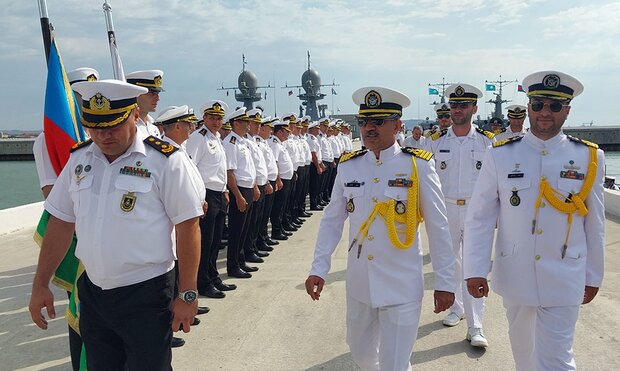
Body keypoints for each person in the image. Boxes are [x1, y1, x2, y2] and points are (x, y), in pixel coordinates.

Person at [29, 80, 204, 370]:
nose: (103, 135)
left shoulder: (165, 160)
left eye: (112, 126)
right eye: (95, 127)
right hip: (94, 294)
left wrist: (188, 294)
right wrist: (40, 284)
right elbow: (60, 221)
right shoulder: (79, 159)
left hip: (146, 294)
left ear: (134, 115)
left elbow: (188, 226)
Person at [305, 86, 455, 371]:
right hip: (361, 285)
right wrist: (319, 267)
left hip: (401, 286)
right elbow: (332, 221)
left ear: (398, 125)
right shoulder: (349, 166)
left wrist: (445, 283)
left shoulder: (417, 166)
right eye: (364, 122)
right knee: (361, 356)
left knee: (395, 364)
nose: (369, 128)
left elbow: (439, 227)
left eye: (379, 121)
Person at [463, 71, 604, 371]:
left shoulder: (589, 157)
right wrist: (474, 269)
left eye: (554, 106)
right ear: (528, 107)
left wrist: (594, 275)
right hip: (517, 273)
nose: (544, 113)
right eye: (538, 104)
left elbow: (595, 224)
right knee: (524, 357)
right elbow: (479, 218)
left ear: (567, 110)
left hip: (566, 273)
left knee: (557, 359)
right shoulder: (499, 155)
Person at [31, 66, 99, 371]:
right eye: (81, 95)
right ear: (68, 95)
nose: (88, 101)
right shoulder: (49, 137)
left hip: (100, 238)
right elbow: (50, 191)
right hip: (73, 234)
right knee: (81, 311)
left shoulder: (94, 133)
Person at [427, 83, 494, 348]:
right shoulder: (436, 142)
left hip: (477, 212)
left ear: (474, 108)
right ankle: (457, 307)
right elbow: (428, 181)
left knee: (474, 265)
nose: (457, 110)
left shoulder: (488, 142)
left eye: (463, 105)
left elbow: (496, 183)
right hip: (446, 209)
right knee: (450, 262)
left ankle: (476, 325)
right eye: (454, 105)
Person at [185, 100, 238, 298]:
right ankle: (202, 283)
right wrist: (199, 198)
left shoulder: (216, 138)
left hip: (218, 193)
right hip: (205, 193)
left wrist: (224, 190)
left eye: (219, 118)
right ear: (204, 118)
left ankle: (213, 276)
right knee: (206, 242)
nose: (216, 122)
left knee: (215, 241)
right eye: (212, 118)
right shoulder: (198, 138)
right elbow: (192, 169)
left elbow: (219, 169)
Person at [222, 107, 259, 279]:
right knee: (237, 231)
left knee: (245, 229)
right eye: (245, 122)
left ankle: (241, 260)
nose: (249, 124)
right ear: (236, 123)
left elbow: (249, 169)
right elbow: (229, 172)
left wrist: (255, 187)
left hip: (248, 188)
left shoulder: (243, 141)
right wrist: (238, 195)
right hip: (240, 190)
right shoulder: (231, 143)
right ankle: (233, 266)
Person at [269, 120, 295, 241]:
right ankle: (276, 230)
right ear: (279, 132)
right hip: (281, 180)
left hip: (286, 178)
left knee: (283, 205)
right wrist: (278, 179)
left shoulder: (280, 143)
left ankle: (281, 227)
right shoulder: (274, 143)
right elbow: (274, 162)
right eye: (286, 132)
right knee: (278, 207)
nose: (288, 134)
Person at [126, 70, 164, 138]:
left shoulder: (154, 128)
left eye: (157, 93)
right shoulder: (126, 127)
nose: (158, 98)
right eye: (151, 93)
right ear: (135, 94)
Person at [307, 121, 325, 210]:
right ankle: (313, 204)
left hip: (316, 164)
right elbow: (313, 155)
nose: (318, 130)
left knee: (317, 185)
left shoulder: (314, 138)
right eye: (317, 129)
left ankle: (316, 202)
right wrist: (318, 167)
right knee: (314, 186)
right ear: (312, 129)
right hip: (313, 165)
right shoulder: (311, 140)